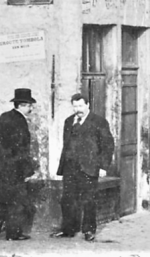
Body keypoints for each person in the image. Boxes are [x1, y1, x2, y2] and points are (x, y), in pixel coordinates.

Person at [52, 93, 114, 242]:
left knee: (88, 200)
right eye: (75, 106)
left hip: (89, 167)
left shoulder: (99, 122)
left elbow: (108, 145)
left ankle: (89, 230)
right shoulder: (69, 121)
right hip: (70, 167)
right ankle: (68, 229)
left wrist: (103, 166)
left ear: (87, 105)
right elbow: (66, 145)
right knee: (67, 199)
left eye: (80, 106)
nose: (78, 109)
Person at [0, 88, 37, 241]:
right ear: (22, 105)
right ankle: (13, 233)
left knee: (0, 200)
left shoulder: (4, 117)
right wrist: (27, 171)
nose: (31, 108)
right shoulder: (20, 122)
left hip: (2, 166)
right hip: (15, 168)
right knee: (17, 202)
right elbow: (21, 148)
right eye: (29, 105)